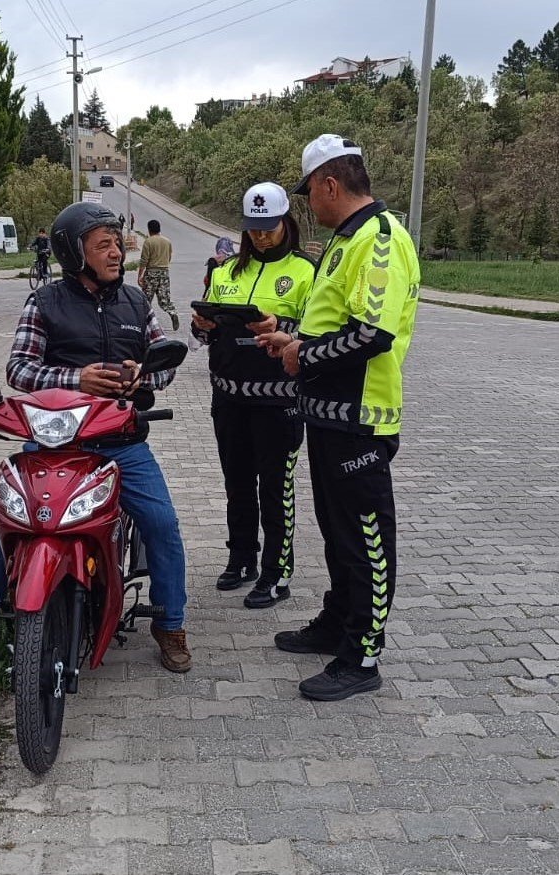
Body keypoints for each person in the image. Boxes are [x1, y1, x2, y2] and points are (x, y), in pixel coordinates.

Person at [0, 203, 191, 673]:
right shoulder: (44, 302)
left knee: (162, 525)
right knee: (13, 517)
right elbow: (18, 367)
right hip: (56, 442)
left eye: (117, 243)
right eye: (103, 245)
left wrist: (141, 378)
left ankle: (170, 623)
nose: (116, 253)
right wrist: (75, 379)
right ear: (73, 253)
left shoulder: (137, 303)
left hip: (122, 442)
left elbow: (166, 364)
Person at [259, 134, 420, 700]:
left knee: (366, 540)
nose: (310, 205)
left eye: (309, 194)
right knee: (336, 533)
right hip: (328, 415)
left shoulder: (378, 240)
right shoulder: (344, 240)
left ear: (330, 184)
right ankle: (336, 624)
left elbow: (373, 335)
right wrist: (294, 337)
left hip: (360, 419)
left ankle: (363, 657)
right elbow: (336, 322)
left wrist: (304, 354)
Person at [191, 182, 314, 608]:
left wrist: (283, 327)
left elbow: (317, 335)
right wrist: (201, 326)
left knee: (275, 489)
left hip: (278, 401)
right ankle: (240, 557)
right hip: (228, 397)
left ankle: (276, 573)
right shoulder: (225, 272)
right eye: (253, 229)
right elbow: (204, 331)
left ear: (286, 222)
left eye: (269, 227)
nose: (261, 236)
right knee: (237, 483)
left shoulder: (305, 272)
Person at [138, 219, 179, 331]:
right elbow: (169, 257)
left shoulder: (148, 242)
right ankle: (173, 313)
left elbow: (144, 260)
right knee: (164, 298)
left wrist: (140, 275)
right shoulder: (167, 241)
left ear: (149, 229)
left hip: (151, 273)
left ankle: (144, 322)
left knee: (147, 298)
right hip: (164, 272)